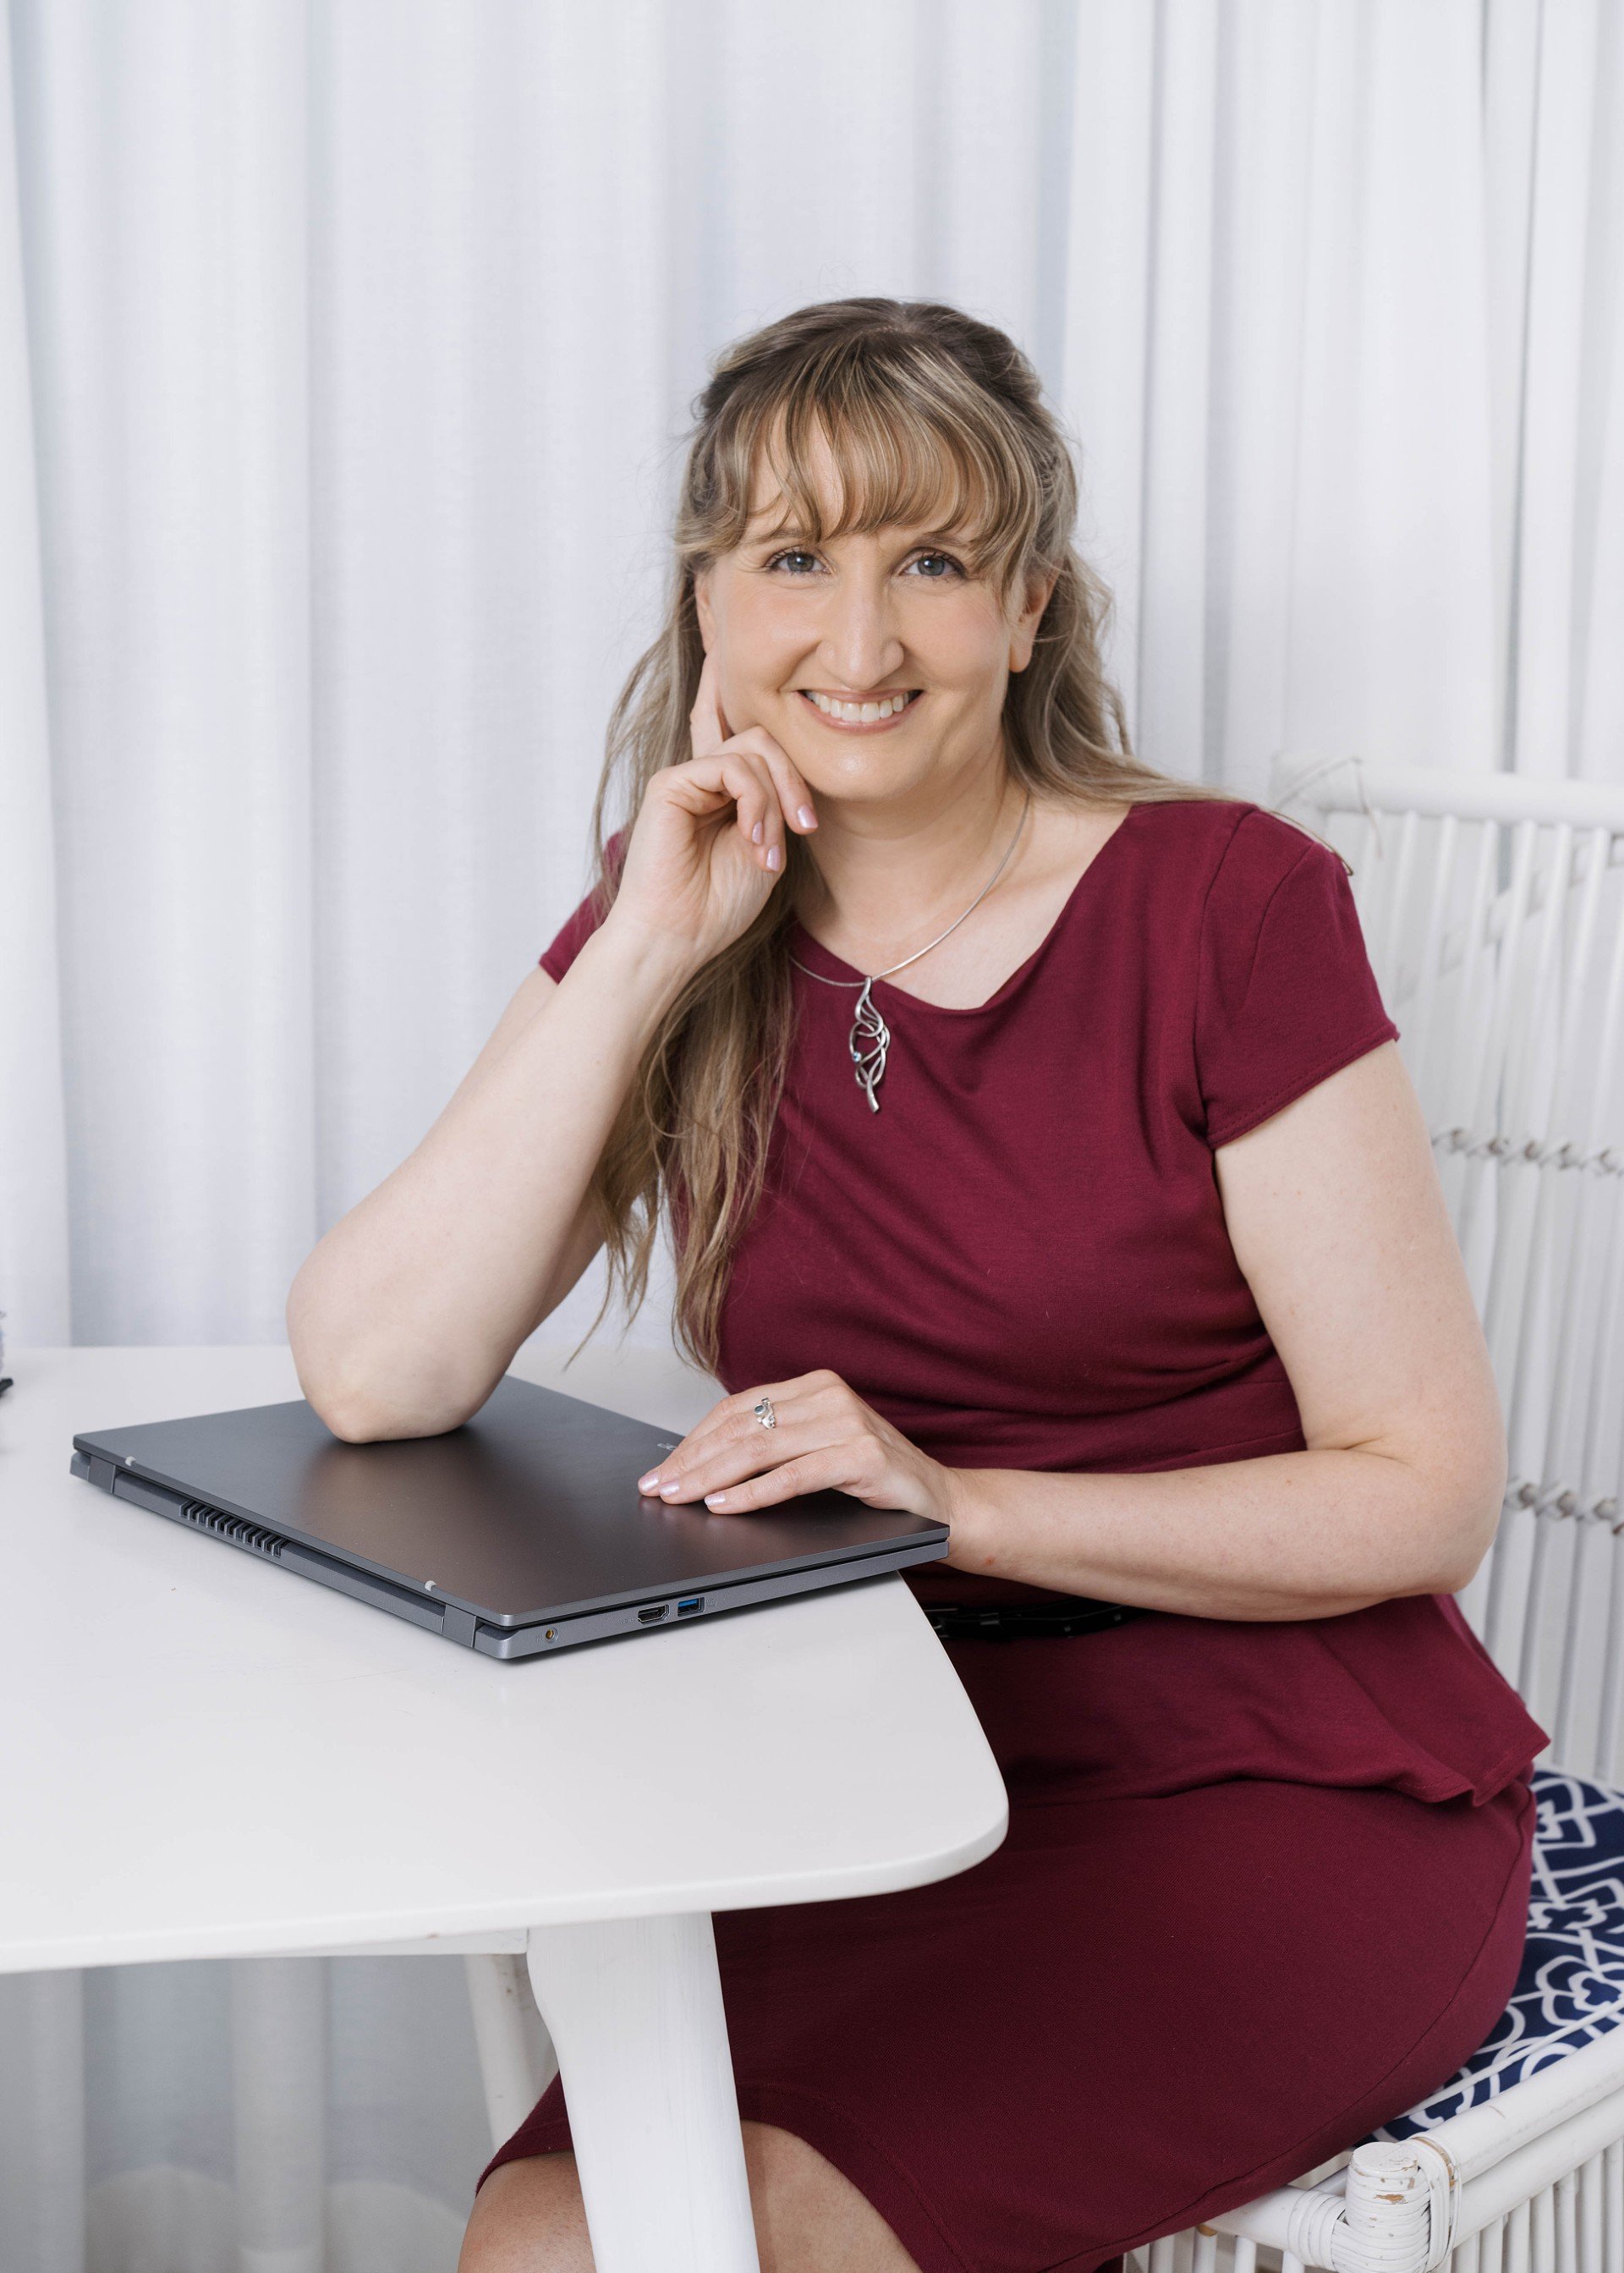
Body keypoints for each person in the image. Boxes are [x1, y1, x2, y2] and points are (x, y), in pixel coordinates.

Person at [287, 298, 1547, 2273]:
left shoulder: (1231, 906)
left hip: (1275, 1774)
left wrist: (964, 1506)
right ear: (710, 599)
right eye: (794, 560)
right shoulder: (684, 905)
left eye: (932, 564)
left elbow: (1424, 1488)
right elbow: (374, 1371)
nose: (857, 646)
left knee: (762, 2233)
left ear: (1030, 607)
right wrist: (643, 951)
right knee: (551, 2238)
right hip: (872, 1766)